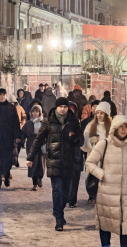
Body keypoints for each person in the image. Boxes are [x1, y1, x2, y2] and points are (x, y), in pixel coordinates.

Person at [86, 115, 127, 247]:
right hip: (107, 193)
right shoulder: (104, 144)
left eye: (126, 127)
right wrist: (102, 175)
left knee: (126, 229)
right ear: (115, 128)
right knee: (105, 226)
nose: (123, 130)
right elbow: (90, 162)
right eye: (121, 126)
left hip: (126, 195)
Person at [26, 98, 84, 231]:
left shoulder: (73, 121)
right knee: (57, 190)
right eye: (60, 106)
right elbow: (38, 139)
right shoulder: (48, 121)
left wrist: (74, 138)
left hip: (69, 162)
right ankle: (59, 218)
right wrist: (30, 157)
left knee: (66, 193)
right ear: (56, 107)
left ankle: (58, 210)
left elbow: (81, 140)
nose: (63, 109)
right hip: (53, 160)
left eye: (65, 106)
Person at [81, 102, 112, 204]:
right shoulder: (90, 126)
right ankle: (92, 195)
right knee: (92, 179)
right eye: (97, 113)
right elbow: (83, 143)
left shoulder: (112, 128)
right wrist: (89, 141)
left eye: (102, 113)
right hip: (94, 158)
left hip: (108, 159)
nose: (99, 115)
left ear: (107, 114)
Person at [22, 105, 45, 191]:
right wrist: (19, 139)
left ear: (40, 112)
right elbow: (23, 133)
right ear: (31, 113)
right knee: (32, 163)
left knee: (41, 163)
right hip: (31, 145)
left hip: (42, 145)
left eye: (37, 111)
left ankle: (40, 177)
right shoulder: (28, 123)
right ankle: (34, 183)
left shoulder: (44, 122)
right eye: (33, 111)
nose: (35, 113)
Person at [67, 101, 84, 208]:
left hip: (76, 156)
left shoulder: (79, 124)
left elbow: (82, 141)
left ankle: (72, 200)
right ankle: (67, 198)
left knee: (75, 180)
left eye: (72, 110)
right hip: (65, 157)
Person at [9, 94, 27, 168]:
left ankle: (16, 159)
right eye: (10, 102)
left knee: (18, 145)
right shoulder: (6, 108)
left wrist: (22, 124)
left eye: (13, 102)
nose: (12, 104)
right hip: (10, 129)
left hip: (19, 128)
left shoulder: (19, 108)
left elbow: (24, 116)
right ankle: (13, 160)